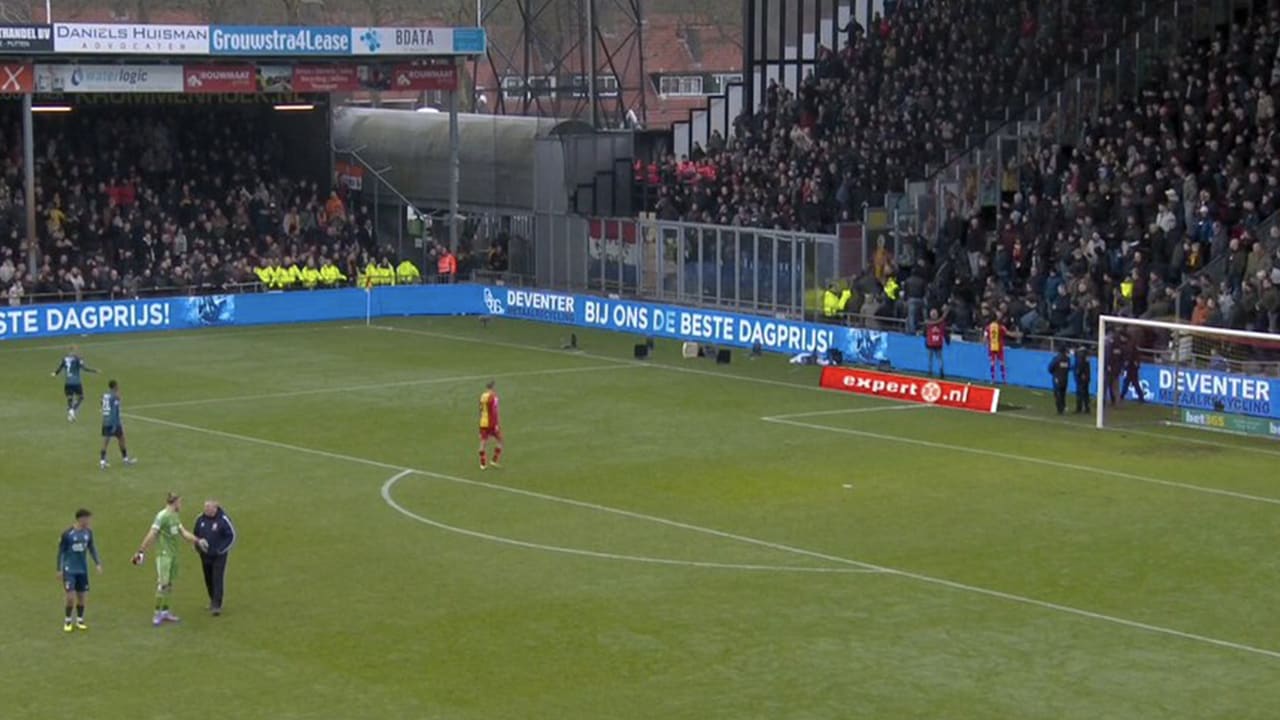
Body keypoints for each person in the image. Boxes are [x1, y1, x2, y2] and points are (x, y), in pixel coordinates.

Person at [132, 492, 207, 626]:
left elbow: (183, 533)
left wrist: (197, 540)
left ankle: (165, 612)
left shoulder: (174, 516)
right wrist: (141, 550)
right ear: (175, 502)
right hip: (164, 555)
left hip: (174, 555)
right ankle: (156, 614)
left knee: (169, 585)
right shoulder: (162, 516)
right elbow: (152, 533)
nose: (181, 505)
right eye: (180, 502)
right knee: (163, 584)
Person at [57, 508, 101, 632]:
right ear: (81, 519)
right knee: (70, 597)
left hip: (82, 570)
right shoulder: (68, 534)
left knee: (82, 597)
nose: (89, 521)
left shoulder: (88, 532)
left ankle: (80, 620)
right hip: (69, 570)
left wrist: (97, 563)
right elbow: (61, 552)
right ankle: (68, 620)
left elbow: (92, 547)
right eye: (87, 518)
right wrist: (59, 569)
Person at [193, 500, 236, 616]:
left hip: (219, 556)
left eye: (208, 508)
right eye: (205, 508)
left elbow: (231, 536)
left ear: (215, 508)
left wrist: (221, 550)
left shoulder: (223, 520)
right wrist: (197, 547)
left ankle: (217, 605)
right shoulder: (200, 519)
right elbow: (195, 534)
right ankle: (212, 599)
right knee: (208, 578)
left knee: (217, 578)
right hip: (205, 554)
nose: (206, 510)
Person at [52, 345, 97, 422]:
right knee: (81, 397)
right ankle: (73, 410)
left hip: (68, 382)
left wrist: (55, 373)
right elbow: (84, 368)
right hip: (76, 382)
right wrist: (94, 371)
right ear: (74, 351)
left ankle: (70, 415)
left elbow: (60, 368)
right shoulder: (78, 359)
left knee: (70, 398)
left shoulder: (65, 359)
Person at [99, 379, 137, 469]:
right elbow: (115, 411)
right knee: (121, 439)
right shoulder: (115, 397)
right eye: (117, 385)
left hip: (105, 421)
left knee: (105, 442)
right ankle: (125, 459)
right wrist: (115, 425)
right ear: (115, 386)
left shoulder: (104, 395)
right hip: (113, 422)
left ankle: (102, 462)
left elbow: (102, 403)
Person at [478, 380, 503, 470]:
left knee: (483, 442)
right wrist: (496, 423)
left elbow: (480, 410)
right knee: (500, 440)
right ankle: (494, 460)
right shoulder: (494, 397)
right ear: (493, 387)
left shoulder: (482, 396)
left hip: (482, 422)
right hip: (491, 423)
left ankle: (482, 464)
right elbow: (494, 411)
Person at [984, 316, 1012, 384]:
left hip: (991, 346)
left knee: (992, 363)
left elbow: (985, 337)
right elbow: (1007, 333)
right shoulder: (1001, 327)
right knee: (1002, 362)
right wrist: (1017, 335)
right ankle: (1004, 380)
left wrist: (986, 343)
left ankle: (993, 380)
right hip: (999, 346)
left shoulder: (988, 327)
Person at [924, 309, 949, 378]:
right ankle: (941, 372)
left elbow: (925, 333)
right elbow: (945, 333)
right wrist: (947, 340)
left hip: (931, 343)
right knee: (939, 359)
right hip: (937, 343)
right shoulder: (941, 323)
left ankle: (930, 372)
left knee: (931, 359)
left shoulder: (928, 323)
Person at [1049, 347, 1072, 415]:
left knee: (1057, 394)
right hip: (1065, 378)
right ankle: (1063, 406)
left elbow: (1050, 368)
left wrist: (1054, 373)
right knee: (1063, 394)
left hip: (1057, 378)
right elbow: (1069, 368)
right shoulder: (1067, 359)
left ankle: (1060, 409)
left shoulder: (1056, 358)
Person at [1074, 347, 1092, 414]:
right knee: (1086, 393)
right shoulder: (1087, 356)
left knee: (1079, 392)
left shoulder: (1081, 356)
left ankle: (1079, 408)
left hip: (1081, 377)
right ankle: (1087, 408)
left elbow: (1080, 366)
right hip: (1087, 377)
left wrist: (1078, 373)